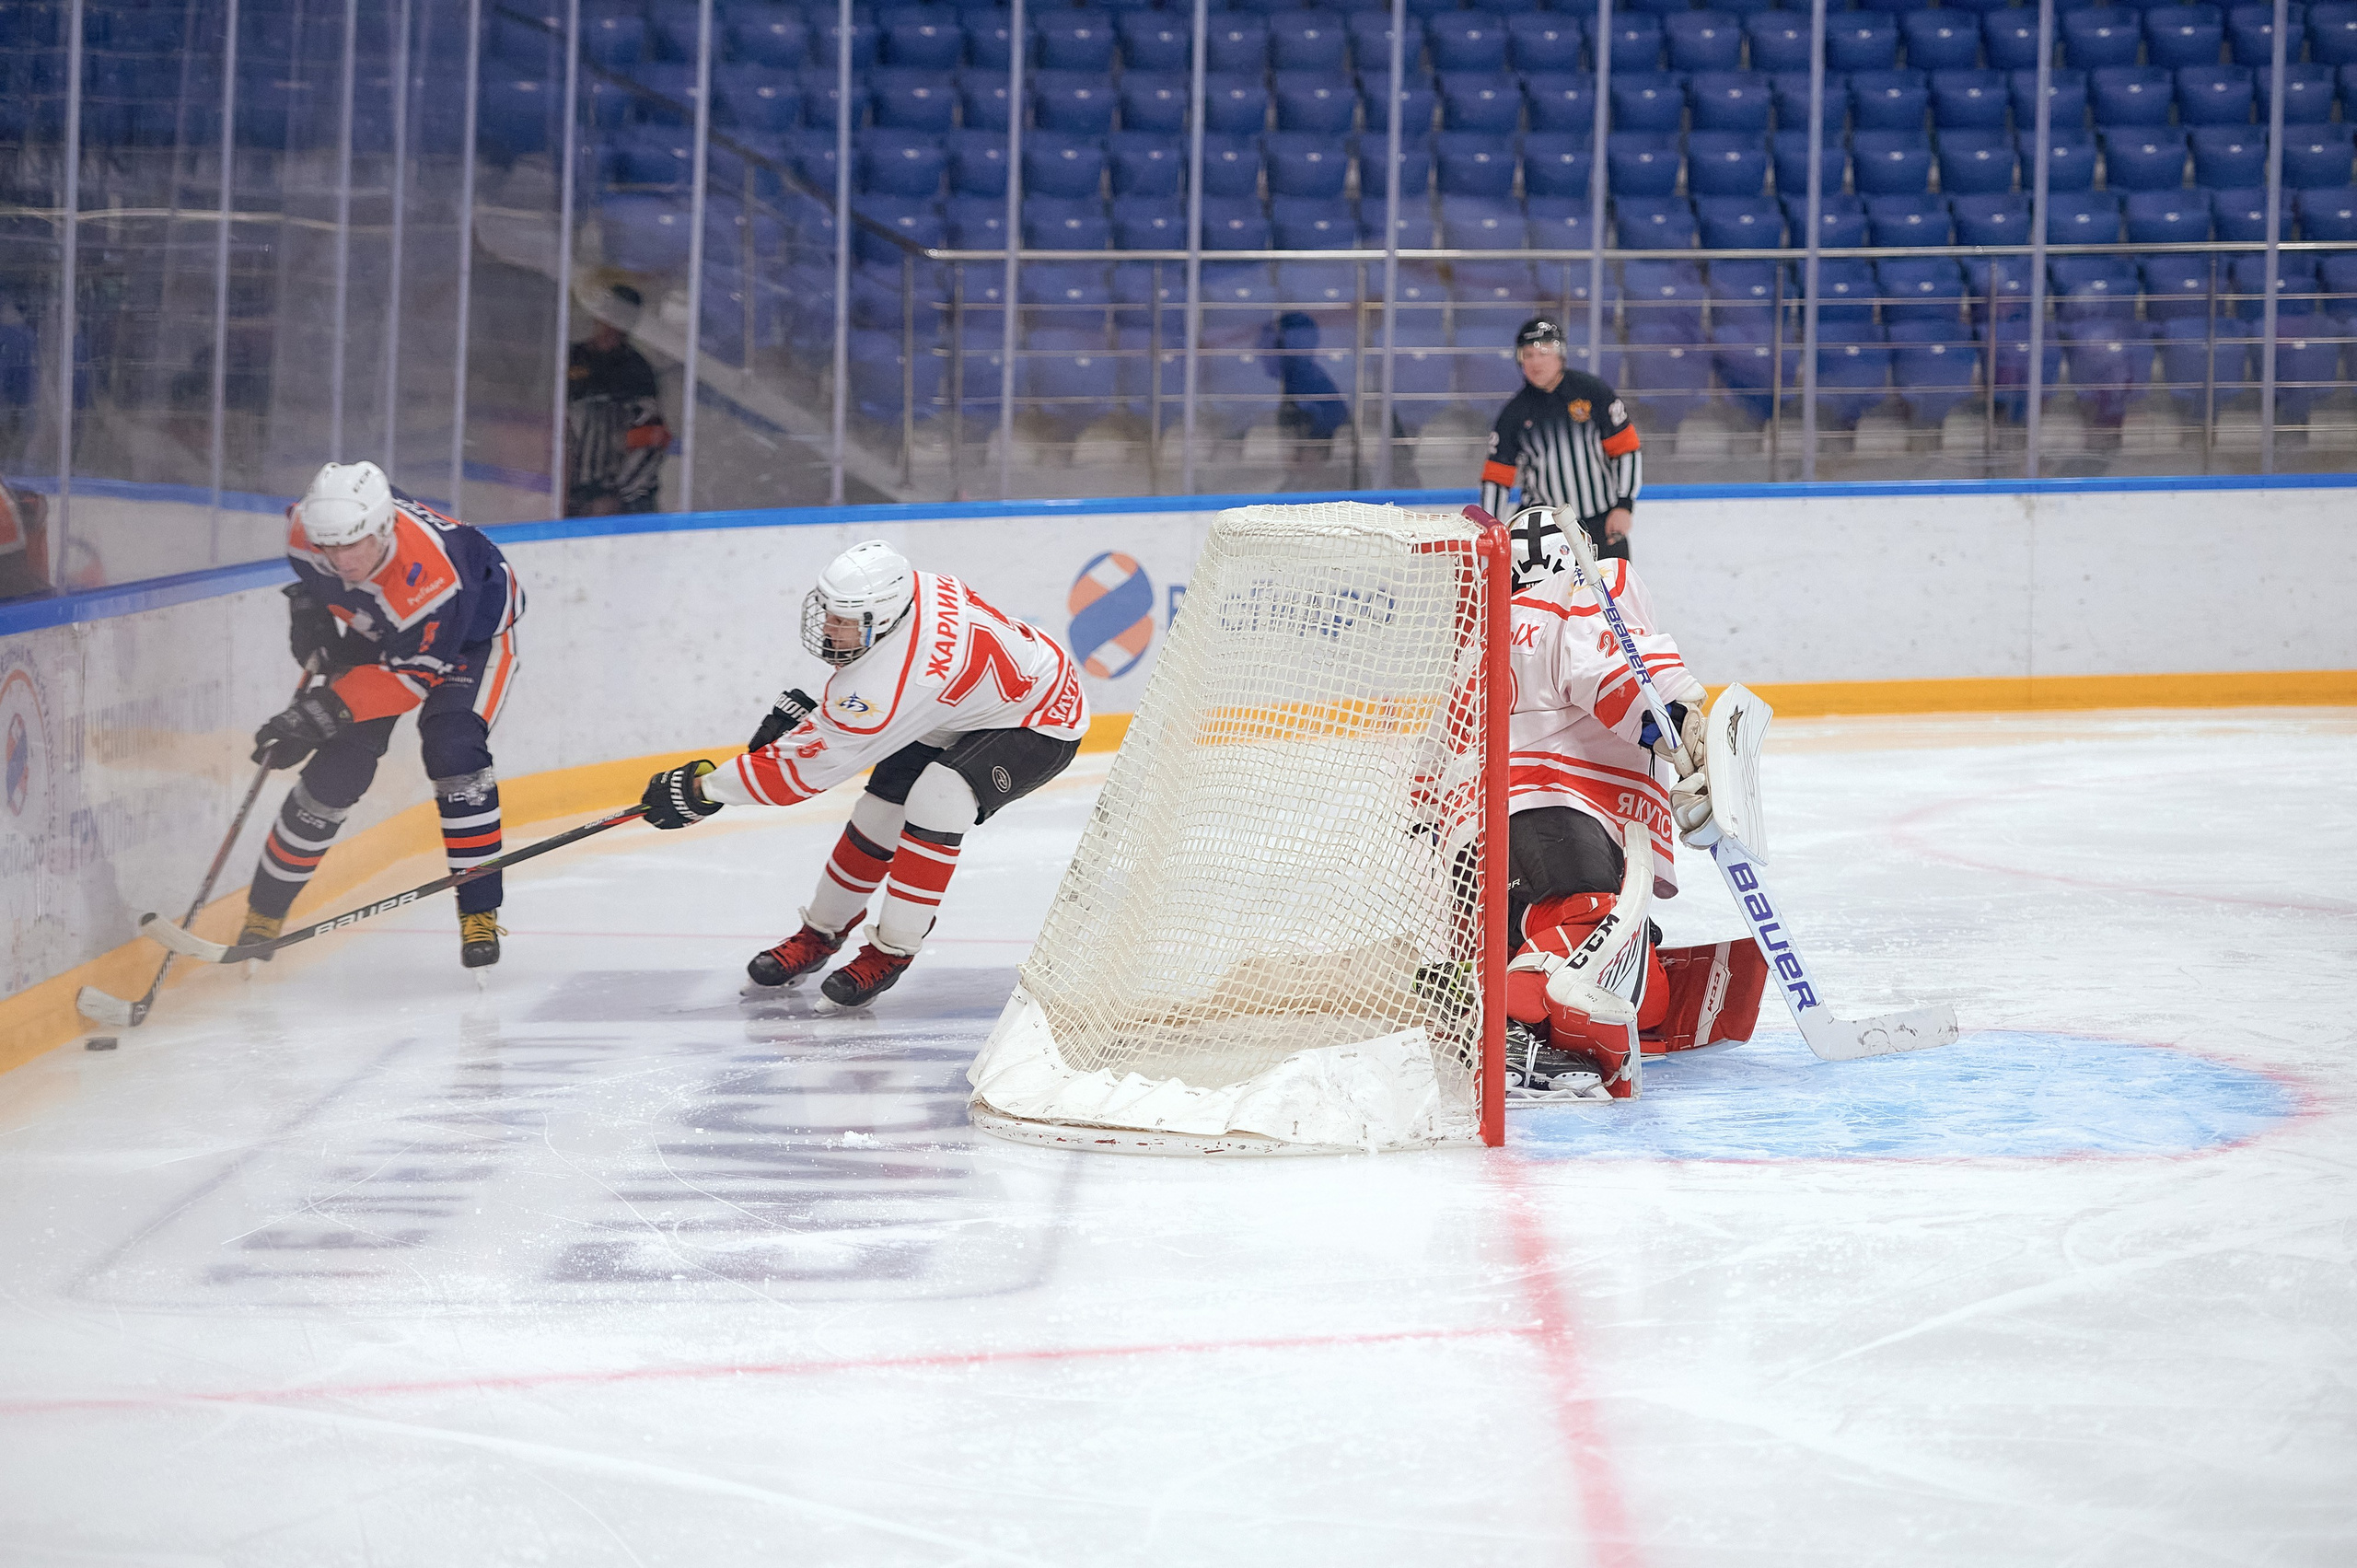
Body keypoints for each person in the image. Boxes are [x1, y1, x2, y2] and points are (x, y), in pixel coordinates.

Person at [639, 540, 1089, 1007]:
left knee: (939, 798)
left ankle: (893, 949)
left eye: (844, 621)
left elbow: (801, 775)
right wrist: (814, 728)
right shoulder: (909, 593)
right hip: (957, 704)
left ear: (882, 617)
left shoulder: (892, 684)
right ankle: (819, 933)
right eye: (830, 614)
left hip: (1040, 718)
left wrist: (704, 790)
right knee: (878, 814)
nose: (829, 629)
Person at [1495, 538, 1764, 1099]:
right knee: (1591, 928)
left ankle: (1493, 997)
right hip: (1552, 809)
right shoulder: (1581, 591)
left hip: (1475, 836)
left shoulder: (1477, 634)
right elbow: (1613, 670)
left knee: (1625, 977)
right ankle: (1508, 1031)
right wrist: (1676, 722)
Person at [238, 461, 525, 969]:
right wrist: (310, 608)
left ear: (384, 528)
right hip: (387, 625)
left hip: (469, 635)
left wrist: (315, 715)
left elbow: (408, 681)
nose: (340, 560)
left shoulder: (432, 580)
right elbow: (319, 571)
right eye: (329, 547)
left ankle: (478, 909)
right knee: (339, 767)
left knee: (453, 749)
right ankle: (263, 913)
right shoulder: (308, 531)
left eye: (353, 545)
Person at [1479, 317, 1643, 576]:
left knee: (1613, 600)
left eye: (1544, 352)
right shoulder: (1514, 414)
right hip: (1544, 534)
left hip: (1601, 523)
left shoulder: (1592, 391)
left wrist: (1624, 505)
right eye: (1528, 355)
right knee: (1546, 603)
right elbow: (1497, 478)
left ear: (1561, 355)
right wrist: (1491, 530)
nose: (1536, 362)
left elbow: (1626, 449)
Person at [565, 285, 669, 516]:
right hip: (572, 496)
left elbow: (650, 441)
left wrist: (616, 495)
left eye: (623, 318)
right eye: (609, 314)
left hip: (620, 503)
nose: (612, 324)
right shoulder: (570, 358)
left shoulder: (637, 370)